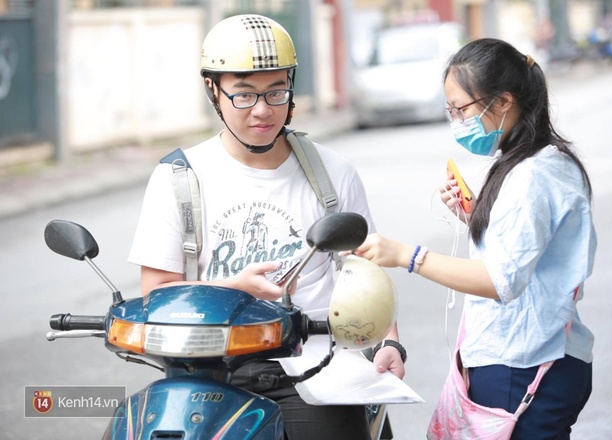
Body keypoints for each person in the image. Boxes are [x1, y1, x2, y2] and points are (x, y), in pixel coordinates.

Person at [128, 14, 405, 440]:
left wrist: (389, 343)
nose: (262, 110)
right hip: (208, 366)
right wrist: (237, 289)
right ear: (213, 91)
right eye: (243, 95)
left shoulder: (334, 174)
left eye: (276, 92)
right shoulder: (178, 178)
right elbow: (156, 295)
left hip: (316, 370)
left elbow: (365, 277)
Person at [352, 38, 596, 439]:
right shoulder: (536, 161)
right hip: (531, 355)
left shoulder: (532, 175)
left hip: (525, 363)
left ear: (502, 102)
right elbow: (529, 250)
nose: (455, 120)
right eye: (449, 110)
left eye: (461, 108)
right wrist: (476, 216)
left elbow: (501, 279)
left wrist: (406, 255)